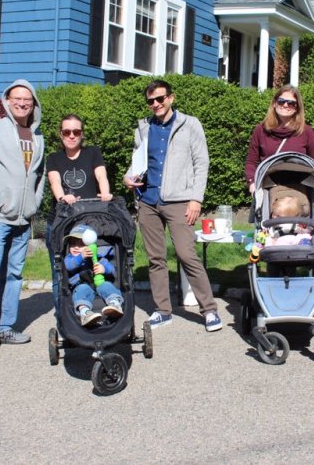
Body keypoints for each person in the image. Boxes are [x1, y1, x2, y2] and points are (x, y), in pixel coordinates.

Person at [123, 79, 222, 332]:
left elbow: (202, 163)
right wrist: (128, 176)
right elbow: (138, 161)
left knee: (186, 255)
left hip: (180, 202)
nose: (156, 104)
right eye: (151, 101)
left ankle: (209, 310)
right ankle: (162, 310)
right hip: (148, 201)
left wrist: (196, 199)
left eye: (160, 99)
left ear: (171, 98)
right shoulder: (143, 127)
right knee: (156, 258)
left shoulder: (190, 125)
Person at [0, 79, 45, 361]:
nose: (22, 103)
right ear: (7, 100)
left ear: (33, 103)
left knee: (14, 275)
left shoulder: (37, 136)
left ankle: (5, 327)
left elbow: (38, 176)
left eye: (27, 99)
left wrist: (35, 202)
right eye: (17, 98)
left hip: (24, 219)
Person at [45, 114, 113, 313]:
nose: (72, 136)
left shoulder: (92, 153)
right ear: (61, 134)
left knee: (95, 263)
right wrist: (62, 197)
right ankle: (64, 318)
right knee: (61, 272)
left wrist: (106, 192)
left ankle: (100, 305)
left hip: (89, 220)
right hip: (62, 221)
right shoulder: (54, 158)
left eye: (77, 132)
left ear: (82, 134)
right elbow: (55, 182)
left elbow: (101, 175)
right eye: (67, 132)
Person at [245, 84, 314, 193]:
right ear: (274, 104)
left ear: (297, 108)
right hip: (269, 186)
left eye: (291, 103)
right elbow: (251, 162)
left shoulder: (306, 132)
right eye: (281, 101)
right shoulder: (261, 130)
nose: (285, 105)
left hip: (299, 187)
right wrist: (252, 182)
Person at [62, 224, 124, 327]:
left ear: (91, 246)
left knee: (107, 286)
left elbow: (112, 270)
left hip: (100, 286)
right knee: (81, 290)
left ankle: (115, 304)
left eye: (81, 244)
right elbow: (68, 266)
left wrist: (104, 269)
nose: (76, 247)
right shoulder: (69, 258)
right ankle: (85, 313)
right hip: (81, 286)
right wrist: (81, 257)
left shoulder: (99, 258)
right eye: (73, 244)